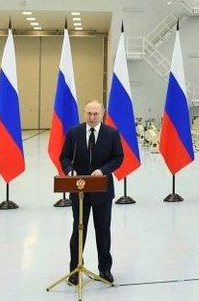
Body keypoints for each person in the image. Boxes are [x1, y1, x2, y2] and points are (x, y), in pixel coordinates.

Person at [59, 100, 124, 285]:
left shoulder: (112, 133)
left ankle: (105, 269)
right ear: (84, 113)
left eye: (96, 114)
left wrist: (103, 170)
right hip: (79, 191)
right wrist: (69, 169)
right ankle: (75, 269)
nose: (92, 117)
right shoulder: (74, 133)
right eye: (89, 114)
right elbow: (64, 157)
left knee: (103, 231)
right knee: (78, 231)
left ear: (102, 113)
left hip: (102, 191)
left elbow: (118, 157)